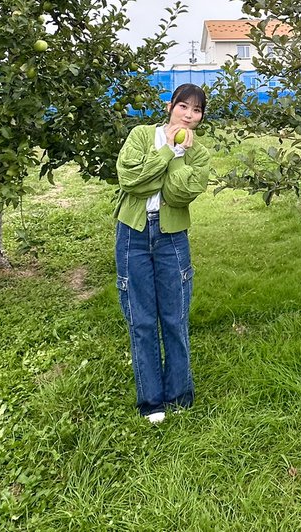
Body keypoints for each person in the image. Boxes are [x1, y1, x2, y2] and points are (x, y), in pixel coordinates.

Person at [114, 83, 211, 424]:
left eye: (196, 110)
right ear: (170, 106)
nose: (189, 115)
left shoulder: (200, 154)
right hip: (133, 234)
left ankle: (180, 395)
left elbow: (178, 194)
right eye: (184, 106)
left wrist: (174, 159)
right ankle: (151, 402)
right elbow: (129, 180)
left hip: (172, 237)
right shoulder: (142, 135)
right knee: (141, 320)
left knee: (175, 317)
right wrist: (168, 152)